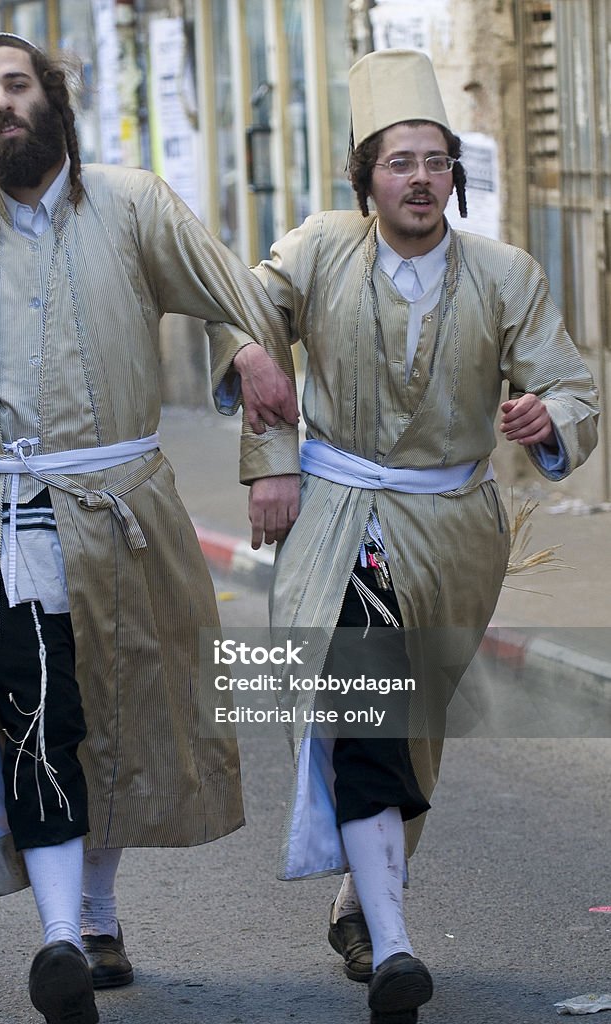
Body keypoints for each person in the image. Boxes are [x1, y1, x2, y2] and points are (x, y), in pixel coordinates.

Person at [0, 33, 298, 1024]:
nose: (3, 105)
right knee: (36, 718)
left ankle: (93, 910)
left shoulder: (133, 204)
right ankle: (57, 942)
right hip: (9, 519)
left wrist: (249, 347)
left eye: (18, 85)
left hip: (122, 515)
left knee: (118, 718)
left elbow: (241, 295)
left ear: (53, 99)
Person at [208, 48, 599, 1024]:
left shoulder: (503, 272)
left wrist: (547, 418)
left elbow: (570, 380)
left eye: (434, 159)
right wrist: (269, 457)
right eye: (397, 160)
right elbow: (242, 324)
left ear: (450, 177)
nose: (418, 177)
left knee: (410, 730)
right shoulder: (315, 247)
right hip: (339, 514)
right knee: (366, 706)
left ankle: (360, 901)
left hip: (453, 528)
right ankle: (393, 945)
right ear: (364, 177)